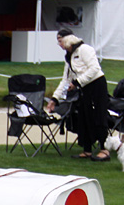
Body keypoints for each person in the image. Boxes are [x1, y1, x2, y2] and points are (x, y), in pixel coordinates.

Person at [47, 28, 111, 161]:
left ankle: (104, 149)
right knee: (84, 117)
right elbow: (66, 79)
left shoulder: (85, 49)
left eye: (60, 41)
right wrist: (55, 98)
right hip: (83, 88)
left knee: (98, 116)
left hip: (96, 85)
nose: (59, 44)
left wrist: (77, 82)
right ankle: (87, 149)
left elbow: (94, 69)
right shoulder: (68, 56)